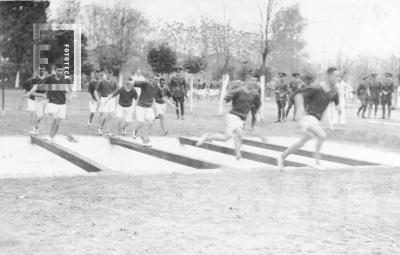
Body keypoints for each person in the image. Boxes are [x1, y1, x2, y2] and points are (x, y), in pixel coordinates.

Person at [277, 67, 342, 170]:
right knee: (322, 135)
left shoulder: (334, 91)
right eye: (336, 76)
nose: (338, 78)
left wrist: (339, 110)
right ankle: (316, 162)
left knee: (302, 142)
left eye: (339, 76)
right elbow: (298, 95)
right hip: (306, 116)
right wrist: (299, 109)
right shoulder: (316, 88)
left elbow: (337, 104)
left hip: (315, 119)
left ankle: (282, 157)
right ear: (329, 76)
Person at [196, 82, 261, 160]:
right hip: (233, 116)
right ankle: (238, 154)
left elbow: (257, 106)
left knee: (226, 138)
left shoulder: (253, 96)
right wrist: (223, 110)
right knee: (239, 133)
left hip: (242, 119)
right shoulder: (240, 92)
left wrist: (258, 113)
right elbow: (226, 99)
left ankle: (207, 137)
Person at [27, 64, 71, 142]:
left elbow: (70, 89)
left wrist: (70, 95)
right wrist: (30, 92)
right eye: (58, 70)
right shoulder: (50, 78)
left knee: (58, 123)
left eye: (61, 70)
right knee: (55, 118)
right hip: (52, 103)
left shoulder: (66, 79)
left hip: (63, 104)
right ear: (55, 70)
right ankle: (47, 135)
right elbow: (37, 85)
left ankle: (51, 137)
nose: (60, 72)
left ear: (63, 70)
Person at [132, 74, 160, 147]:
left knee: (150, 122)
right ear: (152, 79)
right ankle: (135, 131)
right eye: (155, 79)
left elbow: (155, 98)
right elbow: (134, 83)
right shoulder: (145, 84)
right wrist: (132, 82)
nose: (156, 81)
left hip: (149, 107)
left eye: (157, 80)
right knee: (141, 123)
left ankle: (145, 138)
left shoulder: (157, 87)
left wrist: (155, 111)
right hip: (140, 106)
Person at [24, 67, 47, 135]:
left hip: (46, 100)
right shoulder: (33, 81)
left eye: (43, 70)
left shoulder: (47, 79)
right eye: (40, 71)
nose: (41, 72)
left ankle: (37, 128)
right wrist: (41, 95)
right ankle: (33, 129)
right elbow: (31, 92)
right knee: (36, 115)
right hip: (36, 100)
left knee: (43, 116)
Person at [95, 70, 117, 136]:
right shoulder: (101, 81)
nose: (109, 76)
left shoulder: (114, 81)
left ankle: (108, 131)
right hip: (104, 99)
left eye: (111, 75)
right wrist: (98, 100)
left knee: (111, 116)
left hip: (112, 99)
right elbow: (96, 91)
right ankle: (100, 128)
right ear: (106, 74)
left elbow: (117, 90)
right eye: (108, 75)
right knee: (104, 115)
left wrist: (114, 97)